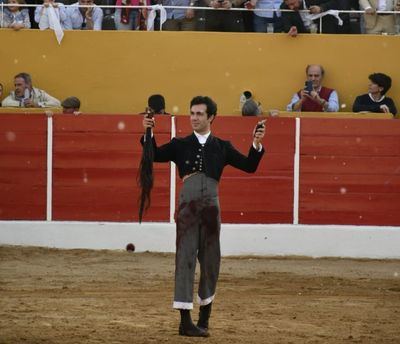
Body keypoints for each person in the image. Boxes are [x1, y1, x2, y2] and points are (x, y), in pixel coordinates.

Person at [141, 96, 265, 337]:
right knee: (185, 259)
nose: (194, 118)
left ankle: (204, 319)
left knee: (211, 261)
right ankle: (185, 322)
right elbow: (154, 154)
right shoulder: (180, 144)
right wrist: (148, 132)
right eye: (192, 113)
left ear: (211, 117)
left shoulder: (222, 147)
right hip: (187, 208)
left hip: (210, 208)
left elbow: (250, 166)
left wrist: (256, 144)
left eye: (199, 114)